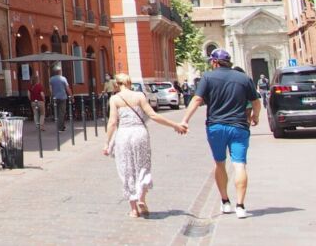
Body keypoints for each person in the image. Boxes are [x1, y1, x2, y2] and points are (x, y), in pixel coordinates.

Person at [180, 48, 261, 220]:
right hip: (239, 126)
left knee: (219, 163)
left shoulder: (208, 77)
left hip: (216, 126)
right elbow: (256, 101)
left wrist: (185, 120)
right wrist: (256, 116)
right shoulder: (243, 78)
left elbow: (196, 99)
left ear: (214, 62)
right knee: (239, 165)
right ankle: (240, 206)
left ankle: (225, 202)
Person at [102, 74, 186, 217]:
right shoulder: (139, 96)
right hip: (139, 133)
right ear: (129, 83)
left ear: (117, 84)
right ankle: (141, 198)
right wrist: (175, 125)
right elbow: (153, 115)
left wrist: (107, 143)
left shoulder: (115, 99)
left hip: (123, 134)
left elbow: (112, 123)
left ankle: (134, 209)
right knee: (142, 166)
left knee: (127, 168)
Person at [50, 65, 71, 131]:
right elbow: (67, 88)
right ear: (59, 71)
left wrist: (51, 96)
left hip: (55, 98)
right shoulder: (63, 78)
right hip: (62, 97)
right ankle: (60, 127)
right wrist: (71, 96)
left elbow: (50, 89)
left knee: (57, 112)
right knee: (62, 112)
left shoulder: (51, 79)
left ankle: (62, 126)